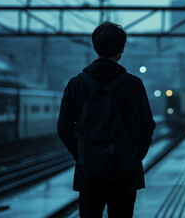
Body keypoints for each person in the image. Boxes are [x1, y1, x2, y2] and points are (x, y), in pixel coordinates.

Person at [57, 21, 155, 217]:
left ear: (95, 47)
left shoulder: (76, 85)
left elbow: (63, 128)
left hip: (89, 175)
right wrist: (133, 158)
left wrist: (83, 154)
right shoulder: (133, 85)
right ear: (122, 49)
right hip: (125, 176)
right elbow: (145, 127)